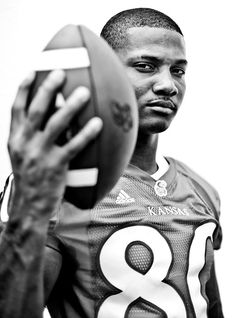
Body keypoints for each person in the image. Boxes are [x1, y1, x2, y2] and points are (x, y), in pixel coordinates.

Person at [0, 7, 224, 318]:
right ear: (105, 73)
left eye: (178, 70)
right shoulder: (58, 184)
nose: (168, 85)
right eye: (146, 66)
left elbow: (210, 307)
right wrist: (29, 207)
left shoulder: (201, 189)